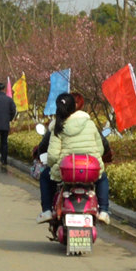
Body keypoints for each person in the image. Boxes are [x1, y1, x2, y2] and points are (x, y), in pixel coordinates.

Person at [36, 92, 110, 224]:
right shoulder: (90, 123)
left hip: (67, 171)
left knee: (45, 177)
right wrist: (94, 159)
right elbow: (100, 148)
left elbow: (52, 155)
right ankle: (104, 211)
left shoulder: (58, 126)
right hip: (89, 169)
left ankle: (47, 210)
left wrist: (52, 165)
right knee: (102, 177)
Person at [0, 81, 17, 169]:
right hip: (5, 123)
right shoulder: (9, 99)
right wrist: (9, 118)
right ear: (4, 89)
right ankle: (4, 159)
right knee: (4, 142)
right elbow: (13, 110)